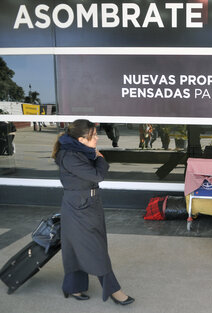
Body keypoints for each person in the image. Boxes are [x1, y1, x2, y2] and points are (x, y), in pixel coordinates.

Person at [51, 119, 134, 306]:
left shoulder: (80, 152)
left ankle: (73, 287)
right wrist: (101, 159)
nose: (97, 138)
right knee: (94, 248)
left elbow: (93, 174)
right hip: (78, 207)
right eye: (93, 136)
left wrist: (96, 158)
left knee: (80, 247)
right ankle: (114, 290)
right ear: (81, 139)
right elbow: (97, 175)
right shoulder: (70, 156)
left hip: (89, 204)